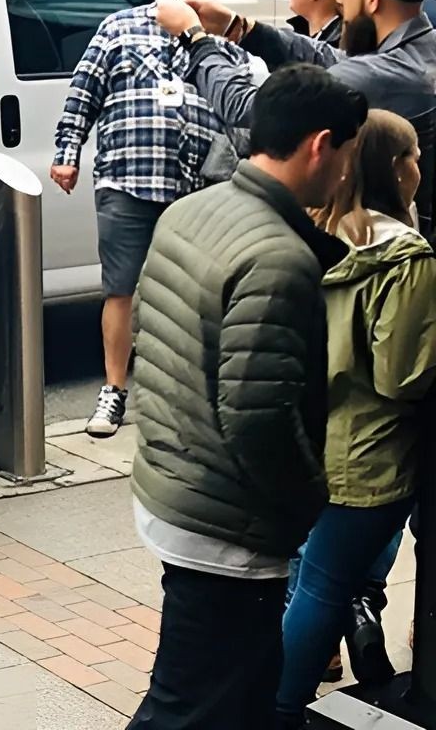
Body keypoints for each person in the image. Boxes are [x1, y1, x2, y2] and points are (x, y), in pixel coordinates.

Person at [128, 63, 365, 730]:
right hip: (227, 526)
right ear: (322, 145)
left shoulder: (190, 211)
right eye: (347, 154)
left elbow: (154, 342)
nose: (347, 173)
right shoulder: (278, 257)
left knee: (242, 696)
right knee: (189, 705)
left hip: (177, 489)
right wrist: (308, 500)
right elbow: (260, 419)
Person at [274, 110, 436, 725]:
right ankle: (281, 705)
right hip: (372, 452)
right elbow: (402, 373)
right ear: (394, 168)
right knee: (325, 586)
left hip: (311, 438)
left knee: (310, 579)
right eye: (415, 154)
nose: (421, 166)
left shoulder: (317, 232)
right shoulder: (404, 256)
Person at [50, 0, 221, 438]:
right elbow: (83, 93)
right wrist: (67, 155)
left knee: (192, 296)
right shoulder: (119, 27)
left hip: (195, 185)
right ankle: (114, 391)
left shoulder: (215, 36)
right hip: (127, 178)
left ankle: (183, 395)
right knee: (120, 288)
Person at [165, 0, 436, 230]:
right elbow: (329, 57)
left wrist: (194, 39)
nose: (341, 1)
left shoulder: (386, 73)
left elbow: (248, 107)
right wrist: (238, 26)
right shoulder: (418, 50)